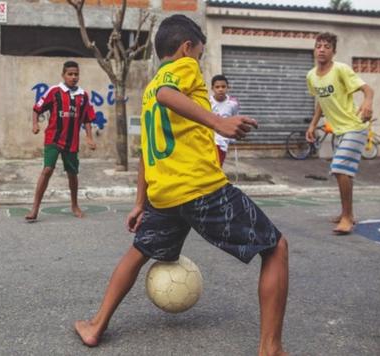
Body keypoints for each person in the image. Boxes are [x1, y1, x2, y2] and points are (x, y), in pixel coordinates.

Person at [74, 15, 289, 356]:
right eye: (200, 54)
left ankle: (96, 325)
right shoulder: (180, 70)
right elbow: (167, 93)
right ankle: (271, 348)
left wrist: (139, 202)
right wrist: (219, 121)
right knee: (276, 248)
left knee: (137, 253)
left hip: (164, 195)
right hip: (200, 188)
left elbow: (146, 150)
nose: (199, 63)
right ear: (187, 48)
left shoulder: (147, 90)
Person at [305, 32, 374, 235]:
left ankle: (347, 217)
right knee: (344, 172)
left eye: (327, 46)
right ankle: (347, 212)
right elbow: (320, 101)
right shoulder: (311, 76)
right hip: (339, 130)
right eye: (319, 46)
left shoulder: (341, 69)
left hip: (355, 126)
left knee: (339, 169)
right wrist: (312, 125)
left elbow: (368, 90)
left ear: (333, 51)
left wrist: (368, 103)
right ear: (314, 49)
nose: (322, 49)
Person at [25, 61, 96, 221]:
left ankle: (74, 205)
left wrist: (89, 137)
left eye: (76, 74)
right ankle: (35, 208)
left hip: (72, 141)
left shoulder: (83, 95)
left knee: (72, 174)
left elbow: (87, 118)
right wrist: (35, 124)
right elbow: (37, 108)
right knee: (47, 170)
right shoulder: (54, 91)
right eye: (70, 74)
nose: (73, 77)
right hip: (53, 138)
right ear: (63, 75)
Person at [210, 74, 240, 167]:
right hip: (210, 140)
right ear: (212, 88)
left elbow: (235, 118)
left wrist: (234, 135)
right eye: (217, 87)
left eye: (223, 86)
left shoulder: (233, 103)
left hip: (223, 141)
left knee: (218, 166)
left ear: (228, 87)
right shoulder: (208, 102)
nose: (220, 89)